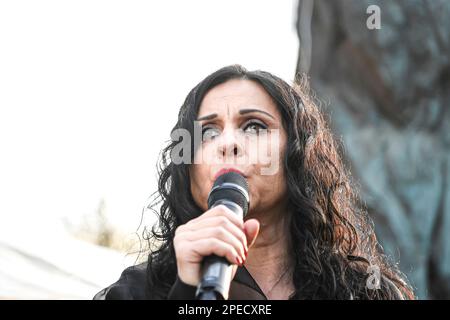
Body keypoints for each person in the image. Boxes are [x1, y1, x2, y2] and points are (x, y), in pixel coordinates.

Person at [93, 65, 415, 300]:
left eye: (254, 127)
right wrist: (188, 293)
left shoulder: (364, 294)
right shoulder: (136, 293)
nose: (228, 143)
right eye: (207, 132)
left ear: (297, 153)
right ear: (187, 169)